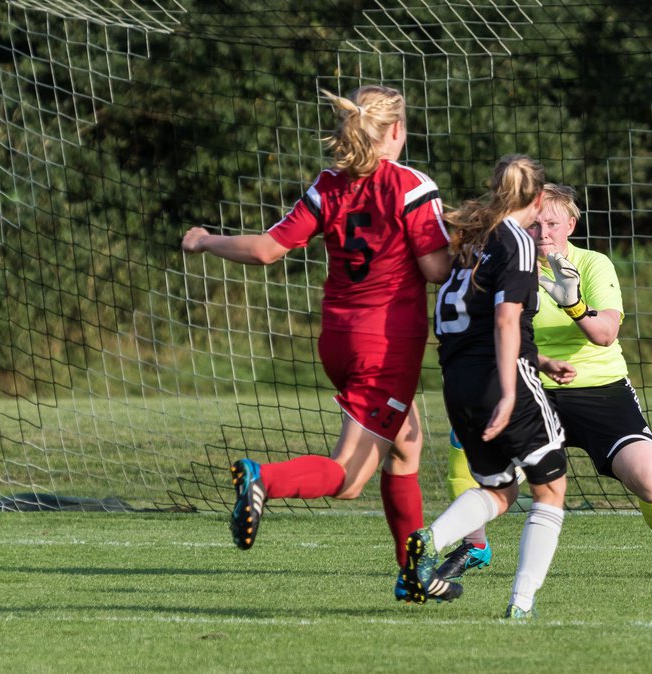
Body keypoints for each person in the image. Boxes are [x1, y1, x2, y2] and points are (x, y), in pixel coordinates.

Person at [181, 85, 451, 567]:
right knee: (348, 479)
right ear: (397, 131)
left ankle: (413, 573)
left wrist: (205, 240)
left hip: (337, 340)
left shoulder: (328, 185)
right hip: (385, 346)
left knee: (406, 448)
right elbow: (435, 268)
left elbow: (266, 250)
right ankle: (264, 479)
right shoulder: (412, 186)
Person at [436, 183, 652, 580]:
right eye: (534, 223)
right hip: (529, 384)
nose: (543, 232)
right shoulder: (503, 264)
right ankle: (474, 546)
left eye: (552, 222)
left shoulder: (593, 264)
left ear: (571, 225)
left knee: (649, 476)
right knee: (466, 439)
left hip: (600, 390)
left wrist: (573, 303)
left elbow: (605, 333)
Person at [397, 154, 570, 619]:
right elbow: (505, 317)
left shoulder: (473, 239)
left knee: (500, 489)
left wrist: (540, 358)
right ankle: (521, 605)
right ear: (537, 199)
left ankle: (429, 540)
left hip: (458, 382)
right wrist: (513, 387)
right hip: (500, 380)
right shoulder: (518, 239)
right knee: (550, 489)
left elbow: (473, 322)